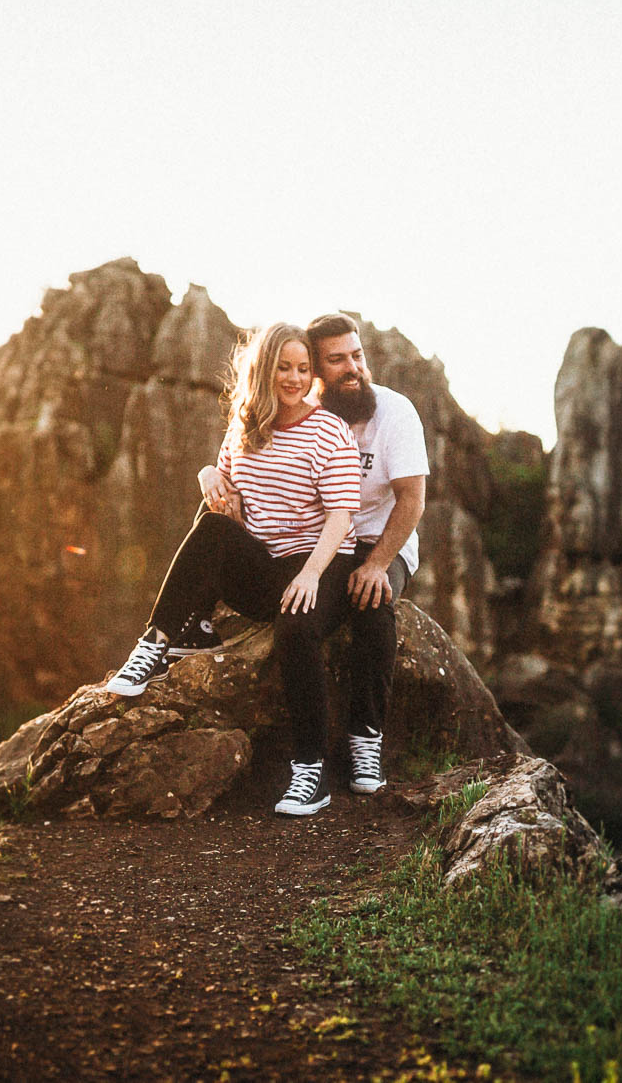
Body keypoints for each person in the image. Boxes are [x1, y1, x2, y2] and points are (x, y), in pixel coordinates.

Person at [101, 322, 361, 816]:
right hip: (265, 565)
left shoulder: (330, 429)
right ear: (263, 369)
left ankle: (312, 771)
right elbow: (226, 486)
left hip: (323, 563)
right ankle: (158, 641)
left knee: (297, 621)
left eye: (304, 369)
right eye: (284, 367)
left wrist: (309, 575)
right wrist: (208, 473)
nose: (295, 378)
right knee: (213, 524)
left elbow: (342, 515)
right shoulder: (246, 423)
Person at [298, 313, 428, 799]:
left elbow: (412, 500)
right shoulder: (304, 414)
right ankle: (307, 757)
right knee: (301, 618)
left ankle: (366, 737)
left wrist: (376, 563)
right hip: (325, 540)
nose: (353, 368)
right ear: (315, 369)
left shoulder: (396, 412)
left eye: (358, 355)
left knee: (373, 602)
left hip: (383, 538)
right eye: (338, 360)